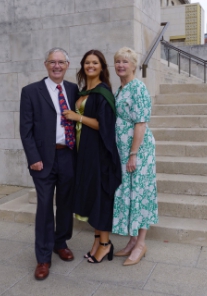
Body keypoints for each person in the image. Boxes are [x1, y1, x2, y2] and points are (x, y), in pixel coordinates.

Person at [20, 47, 78, 280]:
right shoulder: (31, 91)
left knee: (65, 203)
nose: (56, 66)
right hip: (43, 159)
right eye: (52, 62)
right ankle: (43, 258)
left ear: (67, 65)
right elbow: (26, 129)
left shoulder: (73, 90)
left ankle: (60, 242)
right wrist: (33, 158)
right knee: (44, 207)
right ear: (45, 64)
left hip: (68, 155)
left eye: (61, 62)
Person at [63, 50, 121, 264]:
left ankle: (105, 245)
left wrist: (77, 116)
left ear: (102, 67)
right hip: (83, 153)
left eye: (95, 63)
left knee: (101, 197)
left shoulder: (103, 92)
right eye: (87, 62)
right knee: (92, 197)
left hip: (99, 154)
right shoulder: (82, 91)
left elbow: (104, 125)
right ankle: (97, 241)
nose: (91, 66)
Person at [112, 46, 158, 266]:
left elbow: (141, 123)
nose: (121, 65)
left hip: (138, 150)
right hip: (124, 150)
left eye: (125, 62)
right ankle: (132, 241)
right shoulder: (121, 89)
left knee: (140, 194)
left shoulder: (138, 88)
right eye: (118, 61)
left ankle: (141, 244)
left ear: (133, 65)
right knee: (130, 193)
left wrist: (133, 154)